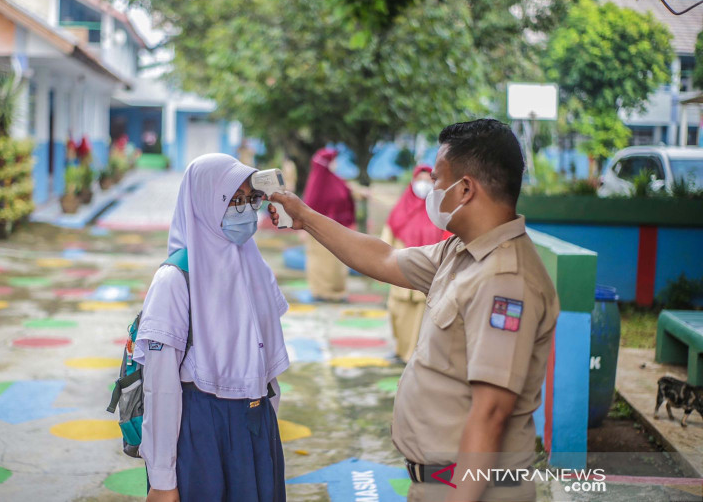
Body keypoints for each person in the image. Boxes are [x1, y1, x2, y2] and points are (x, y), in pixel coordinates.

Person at [271, 119, 560, 502]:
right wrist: (304, 216)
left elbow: (490, 414)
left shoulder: (505, 280)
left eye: (438, 180)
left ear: (466, 189)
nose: (431, 190)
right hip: (440, 480)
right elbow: (385, 257)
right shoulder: (462, 250)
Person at [134, 153, 289, 502]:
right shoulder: (174, 280)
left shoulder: (254, 266)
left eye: (251, 200)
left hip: (257, 428)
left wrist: (266, 430)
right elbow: (160, 387)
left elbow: (264, 358)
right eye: (232, 201)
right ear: (203, 202)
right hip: (201, 432)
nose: (245, 211)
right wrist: (162, 479)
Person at [380, 165, 451, 363]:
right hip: (399, 274)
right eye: (420, 180)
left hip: (426, 278)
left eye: (429, 181)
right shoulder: (400, 210)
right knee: (398, 314)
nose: (423, 185)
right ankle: (400, 350)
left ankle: (413, 356)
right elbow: (386, 240)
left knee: (420, 321)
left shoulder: (439, 212)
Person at [302, 147, 355, 301]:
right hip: (317, 231)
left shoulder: (336, 180)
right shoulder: (316, 183)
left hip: (339, 230)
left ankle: (337, 292)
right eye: (333, 161)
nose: (336, 164)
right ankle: (320, 292)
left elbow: (347, 195)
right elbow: (308, 206)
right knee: (320, 262)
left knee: (337, 263)